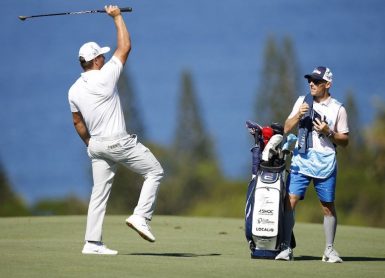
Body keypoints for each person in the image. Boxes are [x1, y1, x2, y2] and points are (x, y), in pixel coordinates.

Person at [68, 5, 164, 255]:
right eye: (100, 56)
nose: (103, 58)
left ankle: (92, 243)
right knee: (154, 171)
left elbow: (78, 122)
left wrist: (90, 143)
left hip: (97, 145)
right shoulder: (106, 75)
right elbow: (125, 47)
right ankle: (140, 216)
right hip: (117, 142)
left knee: (98, 193)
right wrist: (117, 16)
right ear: (97, 60)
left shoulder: (73, 90)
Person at [275, 66, 349, 263]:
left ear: (328, 84)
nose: (311, 84)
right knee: (289, 202)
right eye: (310, 80)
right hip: (302, 158)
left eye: (317, 81)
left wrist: (329, 132)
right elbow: (286, 127)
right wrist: (299, 114)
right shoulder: (302, 101)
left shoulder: (338, 108)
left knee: (327, 207)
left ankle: (329, 250)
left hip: (325, 162)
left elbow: (345, 140)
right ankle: (285, 247)